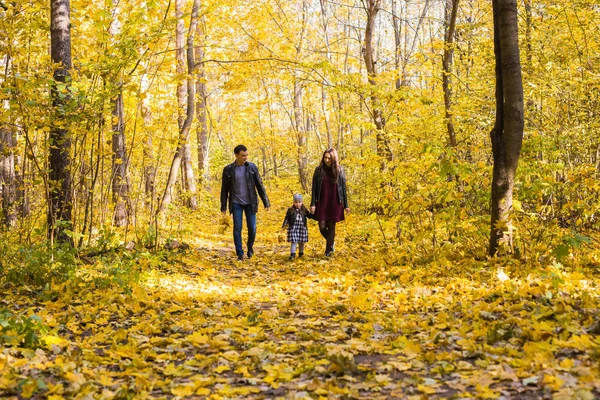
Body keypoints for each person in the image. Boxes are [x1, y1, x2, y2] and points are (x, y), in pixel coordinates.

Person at [221, 145, 270, 260]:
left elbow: (259, 185)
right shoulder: (228, 170)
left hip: (250, 202)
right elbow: (224, 189)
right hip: (236, 202)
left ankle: (250, 247)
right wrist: (223, 206)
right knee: (237, 227)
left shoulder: (252, 168)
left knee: (252, 228)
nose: (245, 157)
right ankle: (239, 253)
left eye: (247, 155)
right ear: (236, 155)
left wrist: (266, 202)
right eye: (243, 155)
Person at [310, 148, 349, 257]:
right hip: (322, 201)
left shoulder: (339, 170)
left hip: (335, 202)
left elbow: (343, 188)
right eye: (325, 157)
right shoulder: (318, 170)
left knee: (331, 225)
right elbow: (314, 188)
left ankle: (328, 252)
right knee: (322, 226)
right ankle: (331, 242)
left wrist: (346, 205)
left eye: (329, 158)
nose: (327, 160)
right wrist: (313, 203)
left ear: (334, 159)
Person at [281, 193, 312, 260]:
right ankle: (292, 254)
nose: (298, 204)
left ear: (302, 202)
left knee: (301, 241)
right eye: (296, 202)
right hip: (293, 228)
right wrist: (284, 225)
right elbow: (286, 218)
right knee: (294, 241)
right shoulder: (290, 210)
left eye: (299, 202)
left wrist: (313, 213)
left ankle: (301, 253)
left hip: (302, 228)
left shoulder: (304, 210)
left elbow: (309, 216)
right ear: (293, 202)